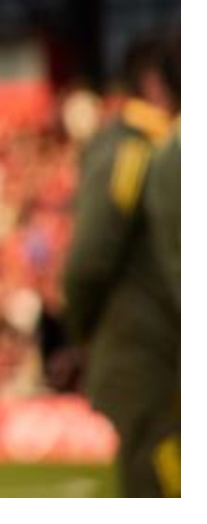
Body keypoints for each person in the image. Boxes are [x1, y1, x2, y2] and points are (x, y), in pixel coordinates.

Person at [59, 29, 179, 497]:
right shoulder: (133, 148)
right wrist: (79, 330)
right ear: (154, 80)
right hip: (152, 364)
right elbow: (88, 261)